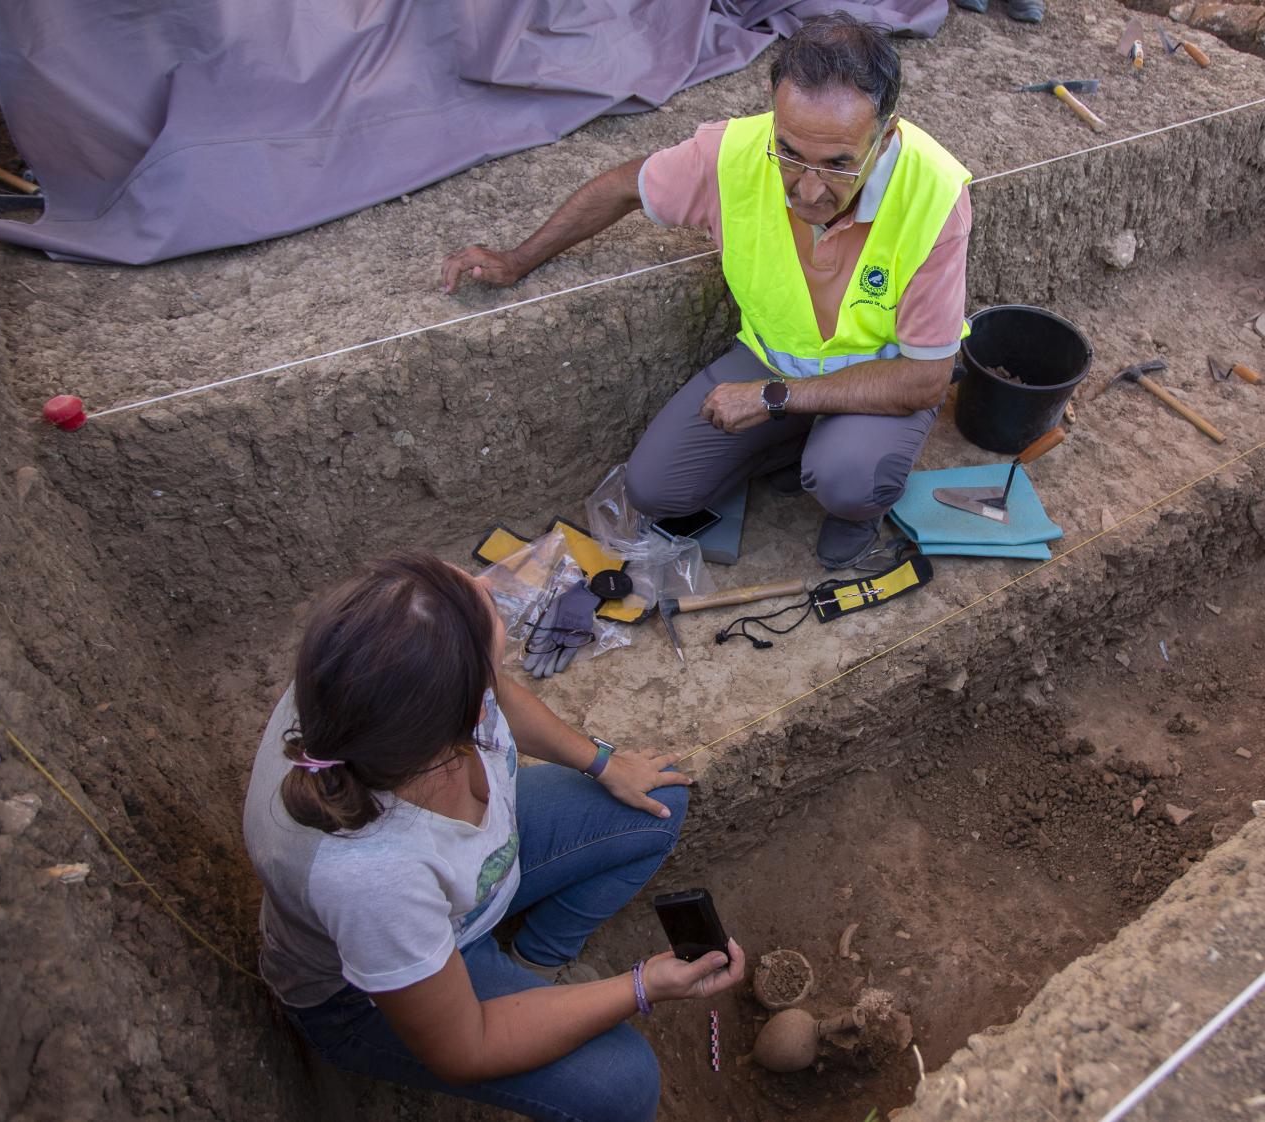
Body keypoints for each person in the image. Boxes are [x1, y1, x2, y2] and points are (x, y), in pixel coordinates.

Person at [441, 14, 974, 569]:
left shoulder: (934, 197)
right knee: (655, 491)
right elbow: (623, 187)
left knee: (847, 478)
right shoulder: (731, 155)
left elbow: (923, 377)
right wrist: (516, 260)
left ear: (884, 137)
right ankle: (800, 441)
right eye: (790, 153)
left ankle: (856, 506)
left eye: (838, 165)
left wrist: (771, 398)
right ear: (774, 114)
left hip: (881, 380)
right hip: (772, 360)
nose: (809, 190)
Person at [242, 552, 744, 1122]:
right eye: (488, 622)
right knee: (623, 1086)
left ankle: (535, 963)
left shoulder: (372, 678)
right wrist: (642, 985)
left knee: (657, 802)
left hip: (467, 886)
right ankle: (518, 983)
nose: (488, 581)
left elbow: (498, 692)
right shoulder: (370, 876)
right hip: (369, 999)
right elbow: (466, 1046)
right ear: (452, 720)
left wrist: (603, 763)